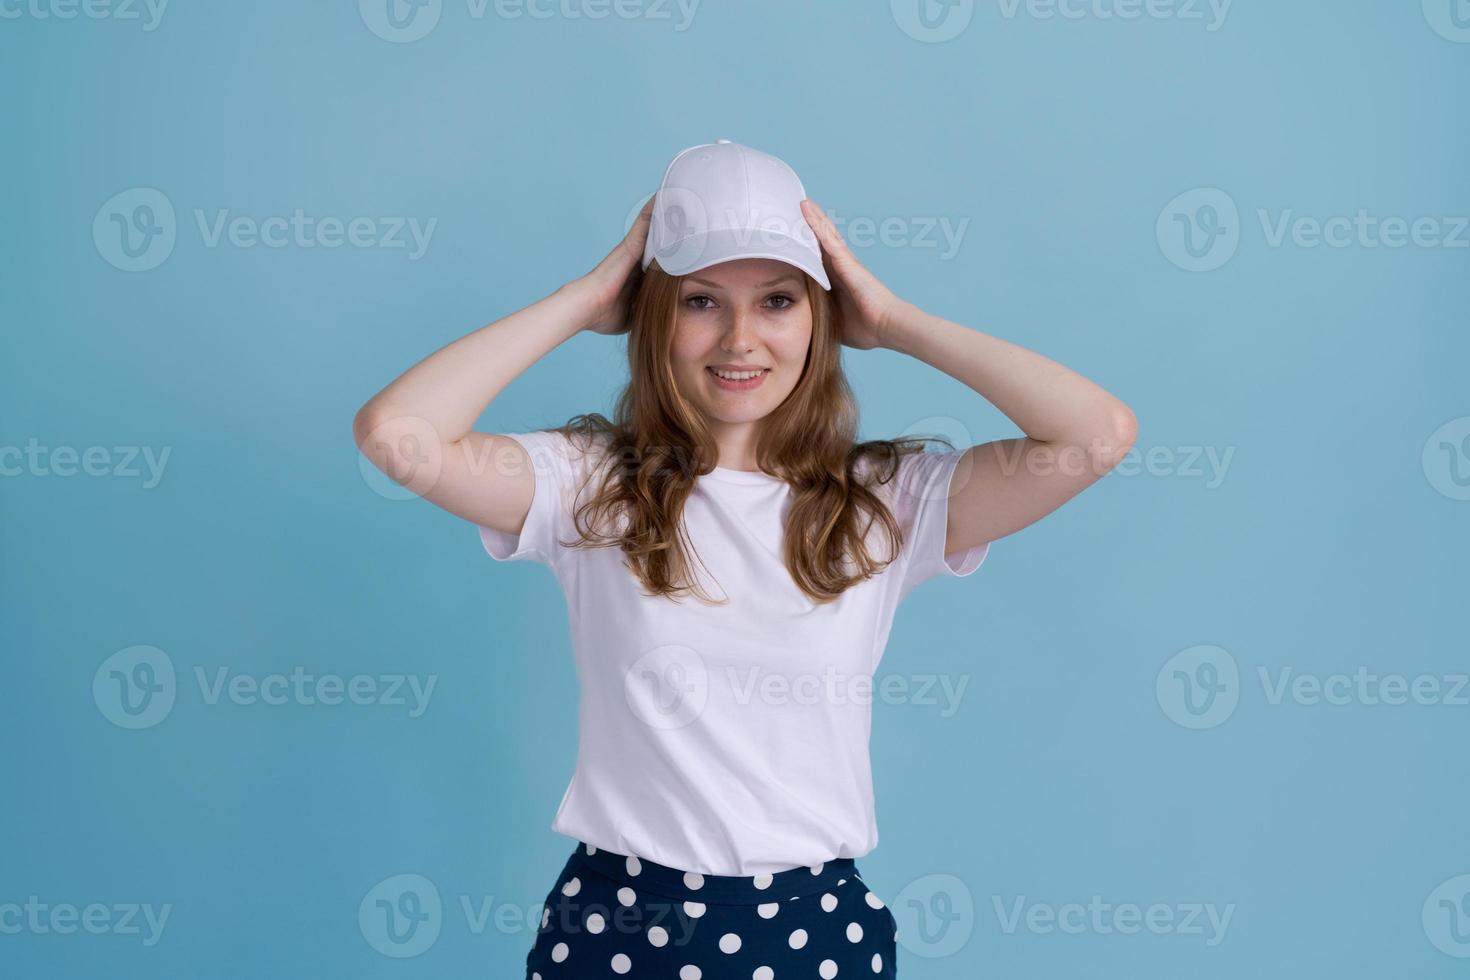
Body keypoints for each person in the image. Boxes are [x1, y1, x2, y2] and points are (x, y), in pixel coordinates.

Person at [354, 139, 1137, 979]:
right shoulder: (591, 487)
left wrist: (898, 322)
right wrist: (585, 299)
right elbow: (398, 437)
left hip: (815, 935)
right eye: (699, 301)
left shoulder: (886, 501)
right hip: (615, 929)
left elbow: (1097, 436)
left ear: (820, 316)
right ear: (654, 313)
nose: (740, 339)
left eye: (776, 300)